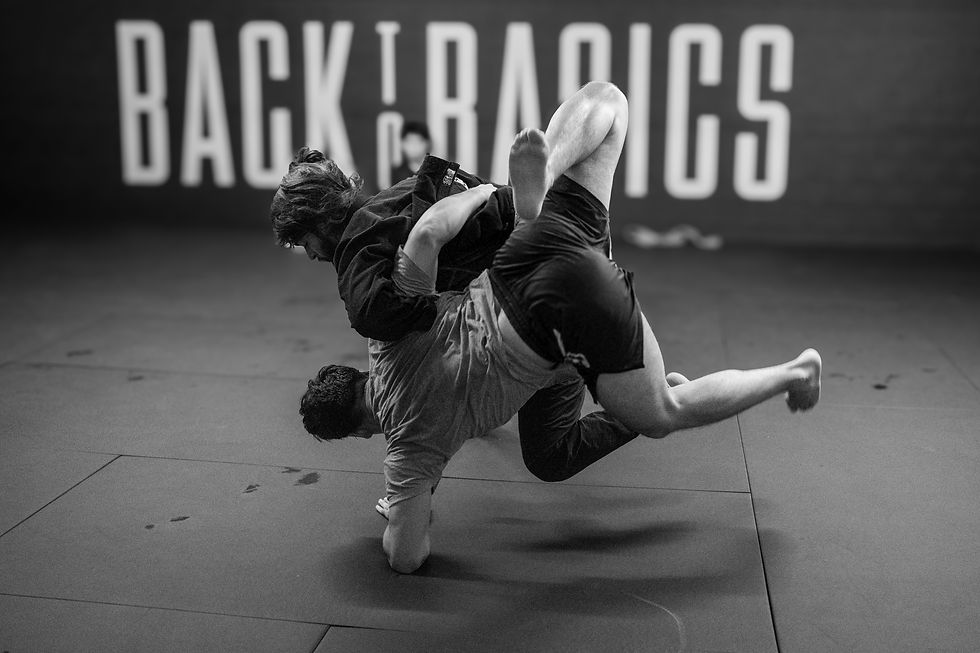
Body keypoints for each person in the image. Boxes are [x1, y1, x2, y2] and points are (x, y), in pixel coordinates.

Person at [297, 81, 823, 574]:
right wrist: (495, 196)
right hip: (524, 251)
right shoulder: (384, 344)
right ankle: (541, 181)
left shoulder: (408, 451)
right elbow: (430, 231)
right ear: (352, 374)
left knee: (666, 413)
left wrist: (400, 514)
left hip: (561, 318)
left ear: (360, 429)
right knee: (609, 100)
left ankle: (793, 374)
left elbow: (406, 557)